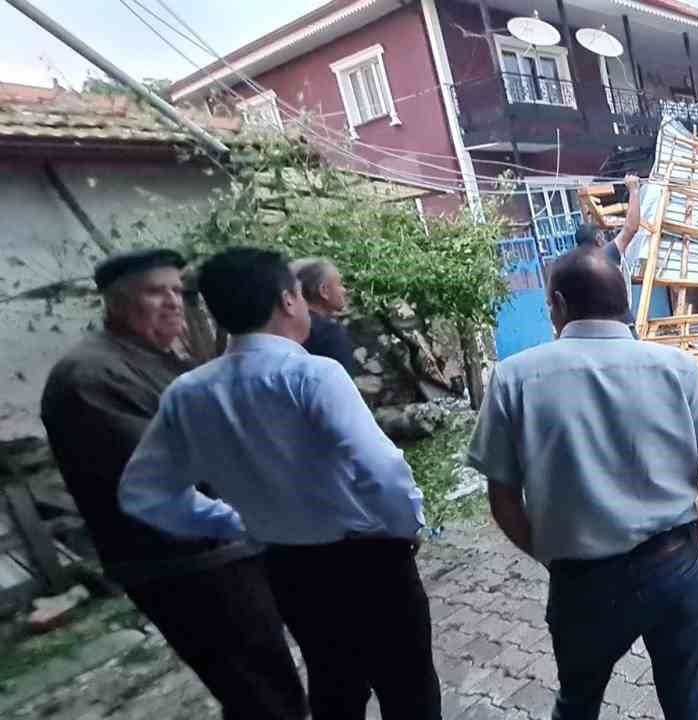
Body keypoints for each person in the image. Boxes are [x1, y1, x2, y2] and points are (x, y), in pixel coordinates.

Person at [119, 247, 438, 720]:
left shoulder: (188, 392)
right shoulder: (310, 375)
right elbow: (383, 469)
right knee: (407, 687)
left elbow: (142, 492)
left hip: (286, 567)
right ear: (289, 301)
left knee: (334, 682)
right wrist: (405, 524)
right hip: (368, 558)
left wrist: (231, 521)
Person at [467, 245, 698, 720]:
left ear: (559, 304)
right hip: (673, 567)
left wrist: (549, 552)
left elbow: (504, 498)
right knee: (686, 705)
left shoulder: (514, 379)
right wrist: (697, 524)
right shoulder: (677, 368)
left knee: (577, 703)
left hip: (582, 583)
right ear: (625, 303)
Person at [40, 249, 306, 720]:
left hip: (220, 549)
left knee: (265, 676)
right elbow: (173, 470)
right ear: (116, 303)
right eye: (153, 292)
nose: (172, 303)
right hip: (183, 563)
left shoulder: (159, 359)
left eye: (176, 291)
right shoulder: (91, 375)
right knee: (257, 688)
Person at [575, 173, 646, 324]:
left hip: (597, 331)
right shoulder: (606, 255)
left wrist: (583, 197)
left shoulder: (578, 266)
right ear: (599, 239)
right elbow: (631, 228)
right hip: (621, 326)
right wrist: (634, 190)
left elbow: (587, 229)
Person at [291, 257, 358, 373]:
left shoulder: (284, 327)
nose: (344, 290)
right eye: (339, 284)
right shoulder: (329, 333)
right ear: (324, 291)